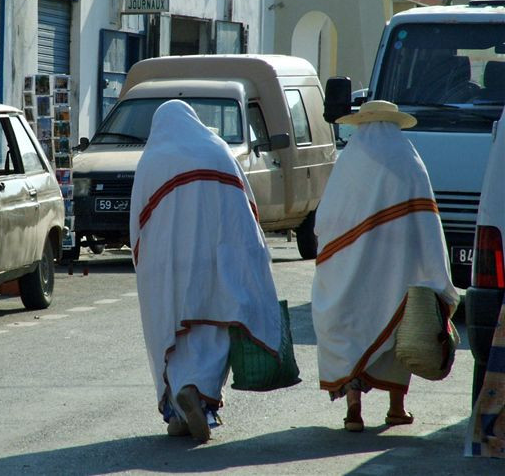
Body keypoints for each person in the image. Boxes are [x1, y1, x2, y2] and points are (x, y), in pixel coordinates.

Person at [129, 100, 282, 443]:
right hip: (221, 256)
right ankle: (196, 398)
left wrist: (143, 261)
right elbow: (248, 207)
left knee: (173, 331)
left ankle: (181, 401)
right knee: (217, 327)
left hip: (169, 266)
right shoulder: (218, 150)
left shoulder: (153, 158)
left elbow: (137, 223)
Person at [312, 100, 459, 432]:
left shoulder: (350, 159)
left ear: (362, 124)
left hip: (350, 265)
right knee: (396, 327)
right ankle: (396, 408)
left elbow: (327, 218)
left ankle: (353, 409)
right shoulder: (408, 159)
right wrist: (432, 269)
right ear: (393, 124)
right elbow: (426, 221)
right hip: (399, 265)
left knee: (351, 325)